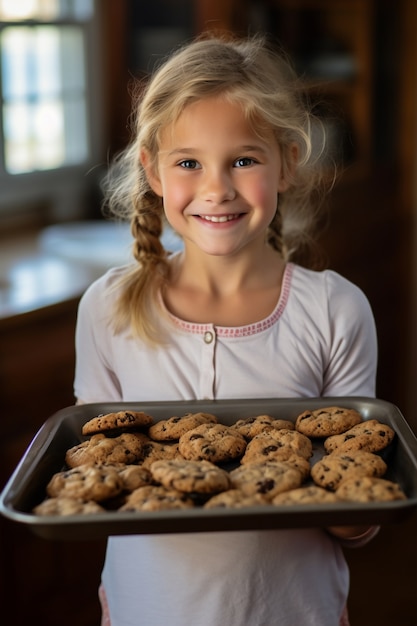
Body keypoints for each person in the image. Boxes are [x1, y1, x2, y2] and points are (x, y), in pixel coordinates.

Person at [74, 33, 379, 626]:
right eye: (188, 162)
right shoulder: (108, 309)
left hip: (295, 611)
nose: (216, 187)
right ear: (152, 171)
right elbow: (101, 475)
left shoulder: (335, 310)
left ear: (288, 162)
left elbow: (358, 519)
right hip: (149, 610)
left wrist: (349, 499)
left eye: (244, 159)